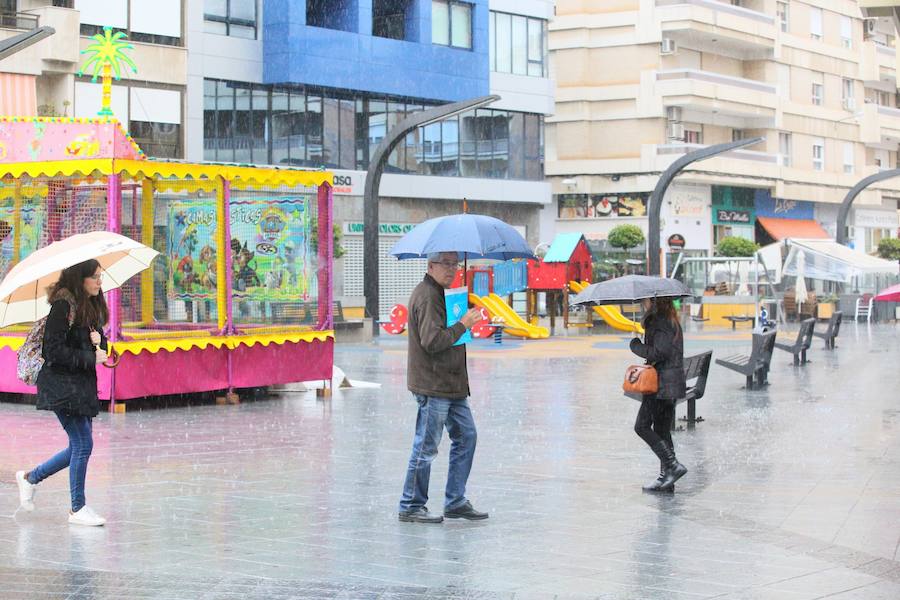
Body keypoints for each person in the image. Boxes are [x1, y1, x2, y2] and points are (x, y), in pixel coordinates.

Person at [16, 259, 110, 526]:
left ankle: (30, 478)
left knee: (78, 445)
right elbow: (53, 352)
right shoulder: (63, 306)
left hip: (79, 386)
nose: (99, 281)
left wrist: (99, 343)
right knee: (83, 443)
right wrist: (89, 358)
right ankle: (77, 508)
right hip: (60, 385)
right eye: (94, 277)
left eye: (101, 276)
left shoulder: (89, 307)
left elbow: (95, 344)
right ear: (80, 279)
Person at [398, 251, 488, 523]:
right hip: (433, 384)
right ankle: (411, 504)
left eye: (454, 264)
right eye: (444, 264)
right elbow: (433, 341)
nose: (451, 270)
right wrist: (463, 324)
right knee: (426, 446)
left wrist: (462, 313)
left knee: (466, 436)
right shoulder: (427, 295)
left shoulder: (445, 294)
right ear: (431, 265)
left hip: (452, 384)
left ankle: (455, 500)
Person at [629, 297, 688, 492]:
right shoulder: (668, 319)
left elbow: (659, 352)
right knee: (662, 430)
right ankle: (667, 478)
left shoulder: (660, 321)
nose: (642, 302)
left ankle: (672, 465)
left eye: (645, 300)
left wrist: (636, 345)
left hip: (661, 384)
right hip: (670, 382)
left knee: (642, 426)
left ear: (654, 301)